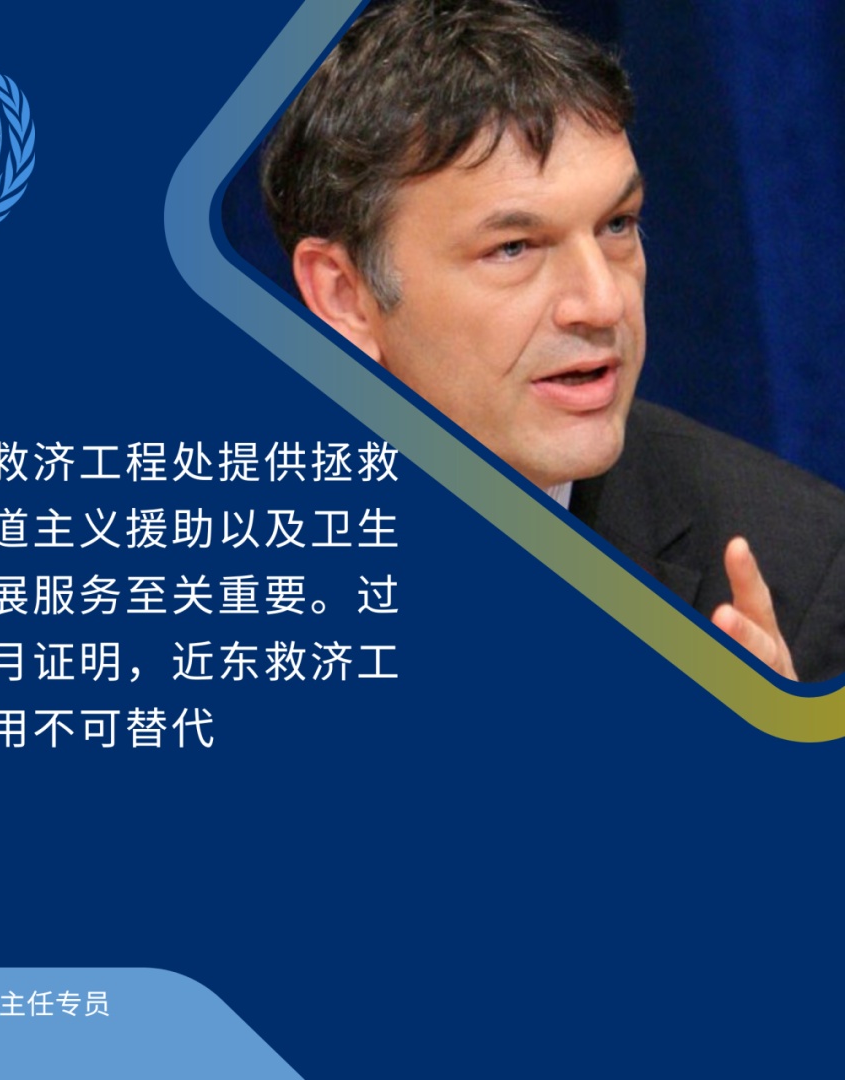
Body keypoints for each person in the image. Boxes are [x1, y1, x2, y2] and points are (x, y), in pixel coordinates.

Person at [261, 0, 845, 683]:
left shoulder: (802, 570)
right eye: (514, 247)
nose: (603, 303)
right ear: (346, 295)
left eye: (617, 225)